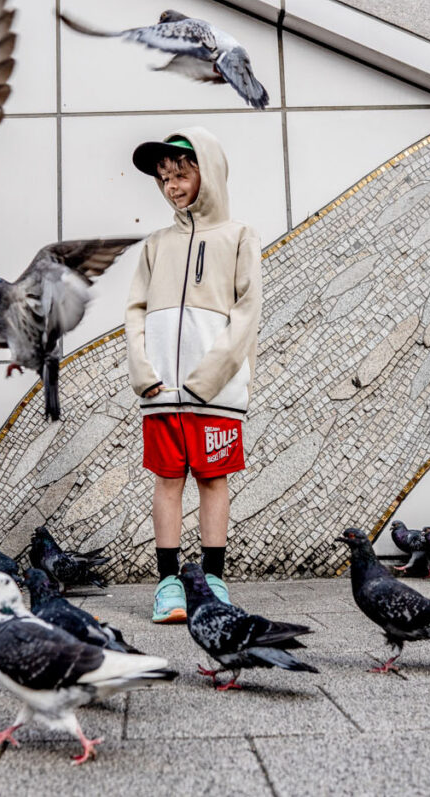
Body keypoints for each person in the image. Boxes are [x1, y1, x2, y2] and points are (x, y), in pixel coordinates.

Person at [123, 127, 262, 623]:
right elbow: (136, 310)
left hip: (216, 393)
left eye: (181, 174)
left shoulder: (239, 236)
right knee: (166, 480)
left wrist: (208, 377)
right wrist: (143, 372)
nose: (172, 186)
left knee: (212, 480)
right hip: (161, 393)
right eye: (164, 178)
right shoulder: (156, 245)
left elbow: (248, 313)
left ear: (208, 171)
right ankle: (168, 585)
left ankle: (213, 580)